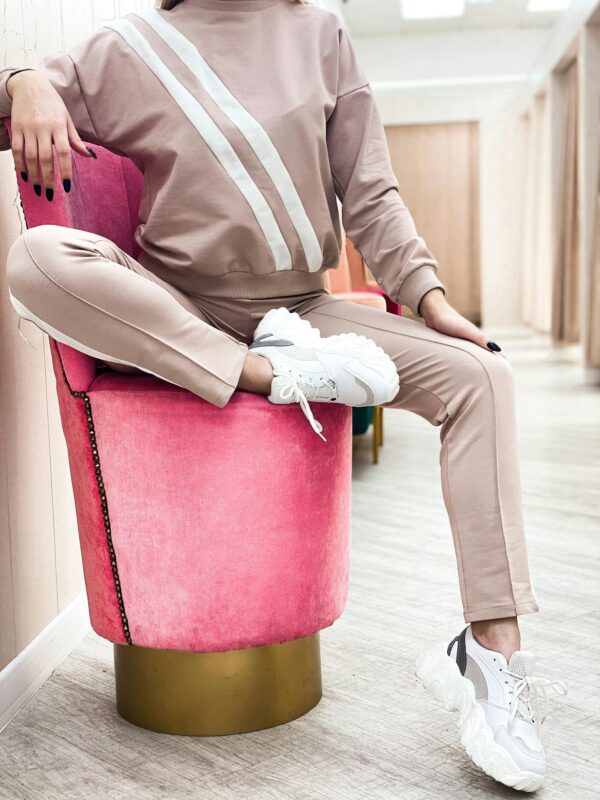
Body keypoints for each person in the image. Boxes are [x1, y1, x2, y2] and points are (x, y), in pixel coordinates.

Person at [0, 0, 565, 790]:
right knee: (35, 257)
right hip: (183, 305)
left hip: (305, 310)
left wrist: (432, 301)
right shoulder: (126, 46)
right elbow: (15, 118)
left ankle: (490, 657)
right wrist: (23, 79)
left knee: (483, 377)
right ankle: (268, 372)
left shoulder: (320, 32)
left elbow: (369, 191)